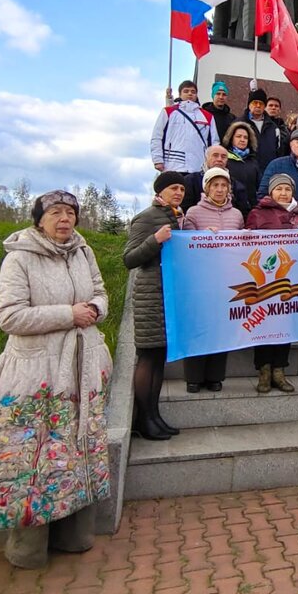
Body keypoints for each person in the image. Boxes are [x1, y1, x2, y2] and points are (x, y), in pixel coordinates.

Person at [0, 190, 111, 570]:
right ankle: (28, 547)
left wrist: (94, 308)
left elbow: (101, 293)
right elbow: (9, 316)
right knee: (32, 458)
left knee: (73, 454)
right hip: (35, 374)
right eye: (56, 213)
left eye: (70, 212)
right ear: (39, 219)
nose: (64, 219)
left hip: (80, 371)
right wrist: (68, 314)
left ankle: (73, 536)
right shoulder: (19, 258)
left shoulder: (83, 252)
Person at [123, 173, 186, 445]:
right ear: (160, 191)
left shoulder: (177, 217)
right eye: (173, 188)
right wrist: (155, 239)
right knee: (149, 357)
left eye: (182, 188)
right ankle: (143, 419)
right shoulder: (147, 217)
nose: (179, 192)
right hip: (151, 296)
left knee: (159, 358)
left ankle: (154, 416)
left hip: (168, 295)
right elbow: (129, 258)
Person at [181, 168, 245, 393]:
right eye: (215, 185)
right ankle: (194, 377)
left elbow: (241, 248)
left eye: (224, 185)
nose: (220, 189)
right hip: (201, 280)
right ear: (206, 188)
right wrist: (201, 236)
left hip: (228, 280)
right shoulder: (193, 212)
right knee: (198, 328)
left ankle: (215, 377)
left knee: (221, 329)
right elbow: (185, 244)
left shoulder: (236, 214)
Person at [245, 173, 298, 393]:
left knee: (285, 324)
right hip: (265, 280)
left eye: (287, 189)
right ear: (271, 191)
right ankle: (263, 370)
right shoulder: (257, 213)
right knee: (263, 323)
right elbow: (247, 243)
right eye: (279, 189)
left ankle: (279, 370)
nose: (283, 193)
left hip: (291, 278)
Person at [150, 80, 220, 174]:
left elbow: (214, 142)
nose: (190, 94)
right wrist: (157, 160)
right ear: (180, 94)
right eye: (186, 91)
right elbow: (157, 136)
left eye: (193, 92)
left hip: (198, 166)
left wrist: (213, 163)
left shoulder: (207, 116)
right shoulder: (168, 112)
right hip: (172, 166)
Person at [183, 145, 244, 214]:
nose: (219, 159)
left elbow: (243, 211)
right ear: (206, 158)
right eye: (215, 155)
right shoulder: (191, 181)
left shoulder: (235, 185)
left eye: (223, 157)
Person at [222, 121, 261, 216]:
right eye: (238, 136)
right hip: (230, 208)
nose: (242, 140)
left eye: (245, 137)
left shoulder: (253, 161)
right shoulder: (224, 160)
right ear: (231, 138)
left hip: (251, 208)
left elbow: (258, 185)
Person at [243, 88, 284, 174]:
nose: (258, 106)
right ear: (249, 105)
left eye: (261, 103)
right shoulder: (239, 124)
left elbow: (279, 152)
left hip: (268, 172)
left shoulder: (273, 128)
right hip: (246, 173)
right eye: (255, 103)